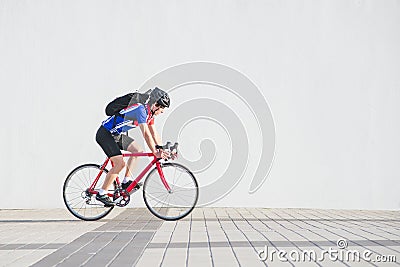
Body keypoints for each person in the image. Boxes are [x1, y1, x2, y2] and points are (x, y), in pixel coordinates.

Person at [95, 88, 172, 206]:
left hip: (115, 135)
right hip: (105, 134)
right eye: (162, 108)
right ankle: (102, 193)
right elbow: (146, 134)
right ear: (156, 105)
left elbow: (154, 133)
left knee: (137, 151)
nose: (162, 111)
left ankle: (126, 181)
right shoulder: (141, 110)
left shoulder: (149, 115)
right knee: (120, 164)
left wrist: (160, 147)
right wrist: (154, 152)